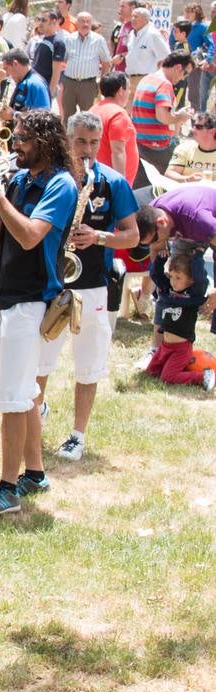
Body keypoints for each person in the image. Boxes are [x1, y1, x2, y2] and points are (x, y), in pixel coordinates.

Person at [0, 110, 78, 515]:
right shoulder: (17, 179)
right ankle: (35, 473)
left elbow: (29, 237)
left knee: (13, 398)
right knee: (25, 393)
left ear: (45, 141)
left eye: (23, 138)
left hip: (31, 302)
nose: (15, 145)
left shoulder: (61, 185)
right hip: (4, 298)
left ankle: (7, 488)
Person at [32, 112, 143, 463]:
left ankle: (77, 435)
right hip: (52, 283)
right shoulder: (53, 178)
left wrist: (99, 236)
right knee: (40, 360)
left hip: (93, 283)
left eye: (94, 143)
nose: (88, 149)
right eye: (81, 141)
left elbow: (133, 236)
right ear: (67, 139)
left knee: (88, 362)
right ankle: (36, 415)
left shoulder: (112, 181)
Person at [144, 251, 215, 390]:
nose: (173, 282)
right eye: (171, 277)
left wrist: (198, 258)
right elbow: (155, 274)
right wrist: (161, 257)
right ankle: (181, 370)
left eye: (178, 278)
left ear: (191, 279)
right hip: (165, 346)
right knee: (151, 372)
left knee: (167, 378)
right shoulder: (168, 290)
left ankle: (203, 375)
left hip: (181, 349)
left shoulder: (194, 295)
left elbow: (201, 280)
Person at [132, 51, 194, 181]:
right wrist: (180, 117)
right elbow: (162, 117)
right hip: (158, 146)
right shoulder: (165, 84)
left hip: (140, 144)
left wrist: (177, 115)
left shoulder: (147, 78)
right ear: (178, 68)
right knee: (175, 181)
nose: (183, 78)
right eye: (185, 73)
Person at [60, 12, 112, 119]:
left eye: (88, 21)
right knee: (68, 117)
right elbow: (62, 60)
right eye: (82, 21)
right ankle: (69, 136)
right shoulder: (69, 39)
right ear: (77, 23)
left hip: (88, 84)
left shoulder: (98, 40)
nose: (85, 24)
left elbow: (106, 62)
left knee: (88, 117)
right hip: (69, 83)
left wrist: (102, 81)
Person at [92, 72, 140, 185]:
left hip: (100, 179)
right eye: (128, 88)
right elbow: (118, 151)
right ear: (120, 91)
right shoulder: (118, 115)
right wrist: (120, 186)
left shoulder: (94, 109)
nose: (130, 92)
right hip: (111, 184)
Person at [124, 7, 171, 97]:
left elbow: (166, 57)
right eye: (132, 16)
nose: (133, 19)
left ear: (145, 19)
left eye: (136, 17)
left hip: (147, 80)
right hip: (131, 79)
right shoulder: (131, 34)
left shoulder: (152, 34)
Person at [166, 110, 216, 182]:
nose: (192, 130)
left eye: (198, 127)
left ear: (212, 131)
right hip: (188, 191)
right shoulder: (184, 148)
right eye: (193, 126)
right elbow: (169, 173)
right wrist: (187, 179)